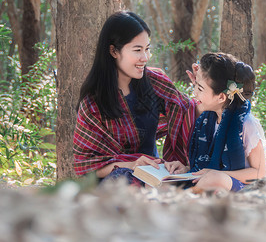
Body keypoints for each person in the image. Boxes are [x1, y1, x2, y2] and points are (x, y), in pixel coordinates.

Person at [73, 11, 196, 182]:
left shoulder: (155, 81)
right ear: (114, 51)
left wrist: (203, 88)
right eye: (137, 50)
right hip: (116, 180)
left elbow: (186, 112)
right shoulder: (93, 104)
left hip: (156, 174)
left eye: (147, 49)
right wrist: (130, 164)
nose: (145, 58)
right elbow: (87, 168)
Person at [165, 53, 266, 192]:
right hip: (210, 180)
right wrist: (187, 169)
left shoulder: (246, 123)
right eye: (195, 85)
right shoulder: (205, 120)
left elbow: (259, 173)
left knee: (215, 180)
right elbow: (206, 166)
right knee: (163, 182)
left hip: (241, 186)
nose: (194, 93)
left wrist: (218, 174)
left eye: (200, 88)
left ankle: (179, 201)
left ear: (220, 97)